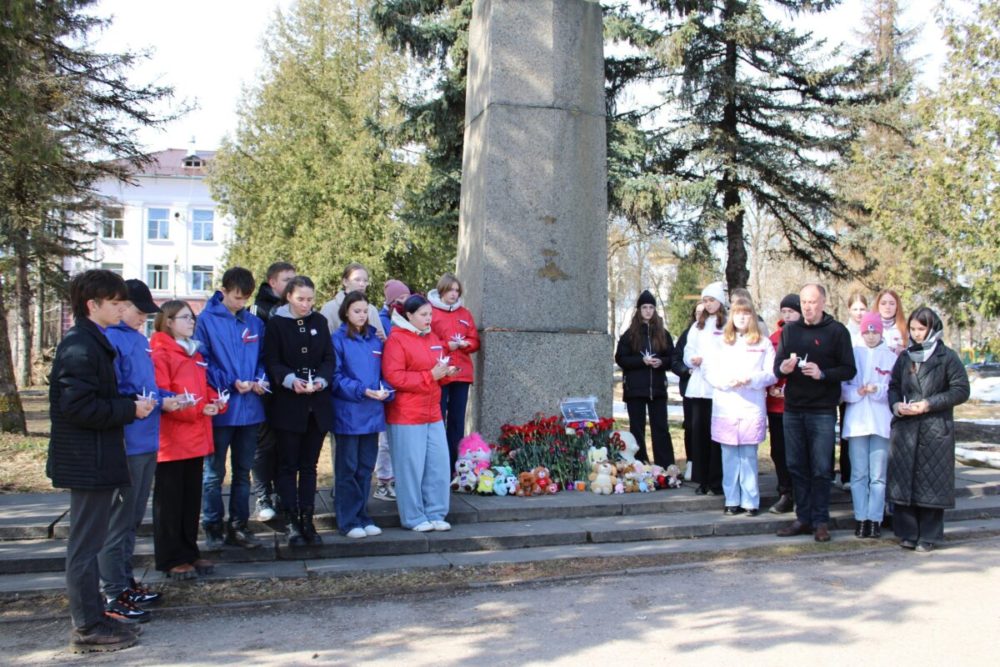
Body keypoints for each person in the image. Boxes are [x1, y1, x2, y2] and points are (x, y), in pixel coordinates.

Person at [48, 270, 152, 653]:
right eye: (115, 303)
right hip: (85, 458)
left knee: (90, 541)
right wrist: (129, 408)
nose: (123, 308)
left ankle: (95, 615)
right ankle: (88, 625)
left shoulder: (93, 340)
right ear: (93, 305)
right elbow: (77, 406)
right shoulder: (80, 345)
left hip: (96, 455)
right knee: (85, 545)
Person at [99, 279, 171, 625]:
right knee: (118, 521)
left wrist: (165, 397)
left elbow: (148, 383)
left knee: (131, 520)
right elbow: (112, 392)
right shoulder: (110, 340)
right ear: (121, 306)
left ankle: (125, 582)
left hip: (147, 439)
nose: (144, 318)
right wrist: (135, 403)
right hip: (127, 442)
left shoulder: (139, 340)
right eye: (139, 312)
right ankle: (112, 591)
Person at [774, 283, 856, 542]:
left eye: (812, 302)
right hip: (794, 408)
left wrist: (823, 374)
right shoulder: (789, 330)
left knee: (821, 468)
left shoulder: (837, 331)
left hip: (822, 409)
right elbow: (776, 367)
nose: (808, 307)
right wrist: (784, 369)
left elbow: (849, 369)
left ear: (823, 302)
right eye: (804, 302)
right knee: (796, 466)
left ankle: (821, 520)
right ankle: (803, 518)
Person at [194, 267, 267, 550]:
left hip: (250, 410)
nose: (241, 303)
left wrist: (261, 379)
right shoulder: (206, 321)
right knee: (213, 473)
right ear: (223, 291)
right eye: (237, 297)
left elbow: (262, 358)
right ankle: (212, 525)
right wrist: (230, 381)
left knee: (243, 471)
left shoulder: (254, 323)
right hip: (221, 407)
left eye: (245, 299)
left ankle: (239, 525)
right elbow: (203, 361)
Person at [887, 307, 970, 553]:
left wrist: (929, 404)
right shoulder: (905, 356)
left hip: (935, 428)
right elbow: (893, 385)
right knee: (906, 480)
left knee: (930, 482)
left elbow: (961, 390)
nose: (917, 334)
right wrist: (896, 405)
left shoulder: (947, 357)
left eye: (921, 329)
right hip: (906, 427)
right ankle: (908, 532)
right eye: (912, 329)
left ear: (932, 329)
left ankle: (929, 535)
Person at [151, 301, 223, 580]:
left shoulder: (192, 352)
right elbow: (163, 395)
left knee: (190, 499)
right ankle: (171, 557)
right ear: (168, 320)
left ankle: (189, 551)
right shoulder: (161, 352)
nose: (191, 322)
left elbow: (202, 387)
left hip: (195, 435)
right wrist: (195, 409)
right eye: (185, 317)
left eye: (192, 317)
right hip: (173, 439)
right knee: (170, 501)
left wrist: (215, 401)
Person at [264, 276, 335, 546]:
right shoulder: (276, 324)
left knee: (309, 466)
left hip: (316, 405)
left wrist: (322, 380)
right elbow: (272, 361)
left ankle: (308, 518)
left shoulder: (320, 322)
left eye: (310, 299)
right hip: (288, 406)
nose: (306, 304)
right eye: (300, 299)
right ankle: (291, 520)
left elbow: (329, 358)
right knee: (287, 465)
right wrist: (291, 380)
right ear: (289, 297)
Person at [382, 294, 459, 531]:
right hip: (406, 415)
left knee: (438, 465)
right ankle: (413, 517)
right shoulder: (396, 340)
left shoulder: (432, 337)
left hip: (432, 412)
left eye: (430, 314)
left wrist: (446, 374)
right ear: (409, 315)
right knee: (410, 469)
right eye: (424, 315)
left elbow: (436, 370)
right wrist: (431, 376)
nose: (429, 319)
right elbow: (394, 377)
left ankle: (436, 513)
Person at [704, 298, 776, 516]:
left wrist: (751, 379)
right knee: (729, 456)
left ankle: (750, 500)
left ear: (752, 316)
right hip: (726, 406)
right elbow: (710, 371)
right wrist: (728, 381)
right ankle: (731, 499)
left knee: (748, 455)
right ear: (731, 317)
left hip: (750, 406)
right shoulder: (720, 342)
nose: (742, 318)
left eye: (746, 314)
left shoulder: (762, 343)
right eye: (737, 314)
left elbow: (771, 373)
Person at [332, 291, 393, 538]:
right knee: (347, 468)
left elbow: (384, 372)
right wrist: (361, 390)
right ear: (346, 312)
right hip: (348, 413)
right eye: (356, 311)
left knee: (366, 467)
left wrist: (386, 390)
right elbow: (335, 377)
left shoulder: (375, 340)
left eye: (365, 310)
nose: (362, 315)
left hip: (372, 413)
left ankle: (362, 515)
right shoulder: (337, 339)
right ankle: (347, 520)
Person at [842, 312, 896, 539]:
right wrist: (858, 392)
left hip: (881, 421)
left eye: (875, 332)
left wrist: (879, 390)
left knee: (878, 475)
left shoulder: (891, 357)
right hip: (857, 422)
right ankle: (860, 517)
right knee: (859, 474)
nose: (871, 336)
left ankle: (875, 519)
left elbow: (894, 388)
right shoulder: (854, 354)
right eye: (867, 331)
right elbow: (844, 388)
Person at [249, 261, 295, 522]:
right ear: (272, 282)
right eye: (286, 279)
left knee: (284, 443)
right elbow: (259, 350)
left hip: (288, 387)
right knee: (263, 444)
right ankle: (262, 495)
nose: (291, 282)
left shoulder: (291, 308)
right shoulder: (260, 309)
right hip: (264, 386)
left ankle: (281, 493)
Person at [615, 289, 675, 466]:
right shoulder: (630, 334)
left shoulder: (663, 334)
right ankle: (639, 465)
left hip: (657, 389)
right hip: (635, 389)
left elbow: (672, 358)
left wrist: (661, 362)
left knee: (661, 428)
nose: (648, 311)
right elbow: (621, 358)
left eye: (651, 307)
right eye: (644, 307)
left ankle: (665, 465)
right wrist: (641, 361)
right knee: (637, 430)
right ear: (639, 310)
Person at [428, 273, 481, 469]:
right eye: (450, 290)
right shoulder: (430, 312)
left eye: (457, 290)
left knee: (457, 422)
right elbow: (426, 342)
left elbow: (475, 341)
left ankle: (454, 467)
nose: (454, 294)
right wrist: (446, 346)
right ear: (442, 290)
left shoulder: (465, 313)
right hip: (440, 373)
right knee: (438, 420)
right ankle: (438, 466)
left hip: (462, 374)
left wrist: (466, 344)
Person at [683, 282, 727, 495]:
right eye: (706, 301)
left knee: (715, 435)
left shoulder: (726, 324)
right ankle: (702, 479)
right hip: (699, 386)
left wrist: (709, 361)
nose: (709, 305)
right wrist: (693, 359)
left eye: (712, 300)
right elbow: (688, 349)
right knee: (698, 434)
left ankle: (717, 479)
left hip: (717, 386)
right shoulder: (697, 326)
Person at [373, 279, 410, 501]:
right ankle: (383, 481)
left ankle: (396, 479)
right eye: (400, 299)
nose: (405, 302)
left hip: (403, 387)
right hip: (386, 384)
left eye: (407, 297)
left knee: (398, 439)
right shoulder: (381, 320)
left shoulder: (408, 319)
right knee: (384, 440)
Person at [766, 294, 801, 514]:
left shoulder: (805, 334)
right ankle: (785, 492)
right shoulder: (773, 338)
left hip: (798, 403)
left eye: (792, 312)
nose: (787, 316)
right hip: (776, 404)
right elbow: (769, 367)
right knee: (778, 451)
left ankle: (800, 493)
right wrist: (773, 383)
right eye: (785, 312)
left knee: (797, 452)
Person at [672, 302, 704, 481]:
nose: (700, 315)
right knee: (691, 427)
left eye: (703, 312)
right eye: (697, 312)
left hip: (709, 390)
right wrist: (686, 370)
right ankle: (692, 462)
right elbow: (675, 359)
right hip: (690, 388)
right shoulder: (687, 334)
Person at [319, 262, 386, 339]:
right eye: (357, 280)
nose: (362, 284)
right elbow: (324, 341)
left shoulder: (372, 310)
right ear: (345, 282)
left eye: (365, 281)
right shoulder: (329, 309)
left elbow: (381, 340)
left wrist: (381, 340)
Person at [875, 289, 908, 355]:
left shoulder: (905, 329)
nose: (887, 307)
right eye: (883, 303)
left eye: (892, 304)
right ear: (878, 306)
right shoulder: (870, 328)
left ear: (897, 306)